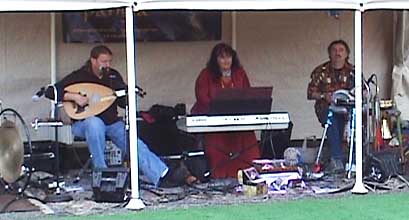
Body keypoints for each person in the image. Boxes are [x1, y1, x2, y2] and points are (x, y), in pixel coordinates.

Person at [57, 45, 195, 187]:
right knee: (94, 123)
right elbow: (52, 91)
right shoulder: (79, 76)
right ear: (93, 60)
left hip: (111, 123)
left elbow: (122, 103)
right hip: (83, 123)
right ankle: (102, 173)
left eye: (109, 61)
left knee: (135, 143)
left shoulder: (113, 76)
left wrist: (127, 94)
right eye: (104, 61)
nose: (107, 65)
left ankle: (161, 174)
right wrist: (74, 96)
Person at [191, 42, 260, 178]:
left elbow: (247, 93)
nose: (226, 60)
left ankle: (248, 175)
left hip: (239, 122)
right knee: (216, 145)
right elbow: (202, 98)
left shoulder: (240, 73)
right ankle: (220, 177)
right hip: (214, 123)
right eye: (222, 57)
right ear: (215, 60)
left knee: (248, 142)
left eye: (229, 57)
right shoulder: (206, 75)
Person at [307, 40, 354, 173]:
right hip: (327, 108)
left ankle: (355, 160)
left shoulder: (353, 71)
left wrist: (361, 92)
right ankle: (337, 159)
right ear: (329, 54)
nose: (337, 53)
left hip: (348, 110)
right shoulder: (321, 71)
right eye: (334, 50)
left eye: (341, 50)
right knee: (331, 119)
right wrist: (323, 96)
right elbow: (310, 93)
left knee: (358, 120)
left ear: (347, 54)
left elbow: (363, 89)